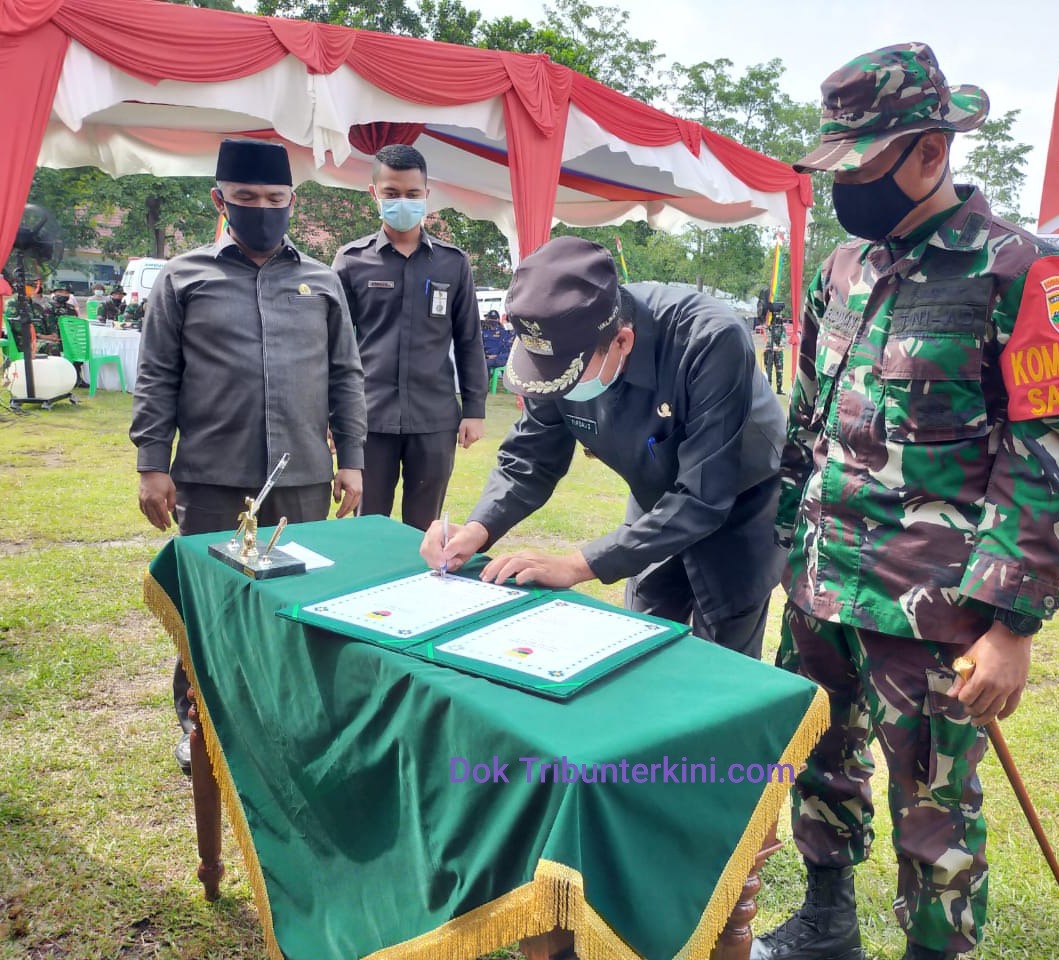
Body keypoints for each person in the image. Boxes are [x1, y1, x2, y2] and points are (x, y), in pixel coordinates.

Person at [753, 43, 1059, 960]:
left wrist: (1012, 626)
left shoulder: (1023, 269)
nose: (846, 186)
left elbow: (1048, 455)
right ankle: (827, 920)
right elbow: (810, 420)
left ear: (929, 154)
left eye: (859, 164)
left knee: (933, 811)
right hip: (823, 582)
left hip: (933, 607)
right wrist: (785, 544)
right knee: (820, 761)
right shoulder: (843, 268)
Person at [419, 236, 786, 659]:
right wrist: (477, 528)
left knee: (723, 658)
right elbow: (531, 456)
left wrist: (577, 565)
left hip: (740, 503)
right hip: (654, 499)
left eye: (567, 378)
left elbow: (705, 495)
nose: (557, 388)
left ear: (623, 342)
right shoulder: (558, 343)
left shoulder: (710, 340)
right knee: (638, 641)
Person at [130, 138, 367, 776]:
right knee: (209, 611)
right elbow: (157, 376)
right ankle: (197, 725)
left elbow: (346, 374)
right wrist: (154, 463)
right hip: (211, 478)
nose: (262, 209)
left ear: (292, 201)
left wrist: (353, 457)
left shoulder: (322, 282)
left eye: (274, 199)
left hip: (303, 479)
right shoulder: (183, 277)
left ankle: (288, 722)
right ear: (220, 201)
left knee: (300, 605)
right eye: (246, 200)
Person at [333, 144, 487, 530]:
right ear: (374, 195)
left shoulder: (453, 264)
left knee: (425, 530)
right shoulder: (351, 261)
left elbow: (469, 339)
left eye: (412, 194)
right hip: (370, 420)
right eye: (391, 193)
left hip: (434, 419)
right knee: (368, 527)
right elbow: (330, 346)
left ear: (427, 196)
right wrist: (329, 416)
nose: (403, 201)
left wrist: (475, 409)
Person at [481, 307, 513, 373]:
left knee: (483, 364)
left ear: (497, 320)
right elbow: (480, 346)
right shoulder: (485, 331)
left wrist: (495, 356)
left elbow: (506, 349)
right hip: (487, 356)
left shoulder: (504, 332)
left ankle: (484, 382)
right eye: (490, 319)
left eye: (493, 319)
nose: (491, 322)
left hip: (499, 358)